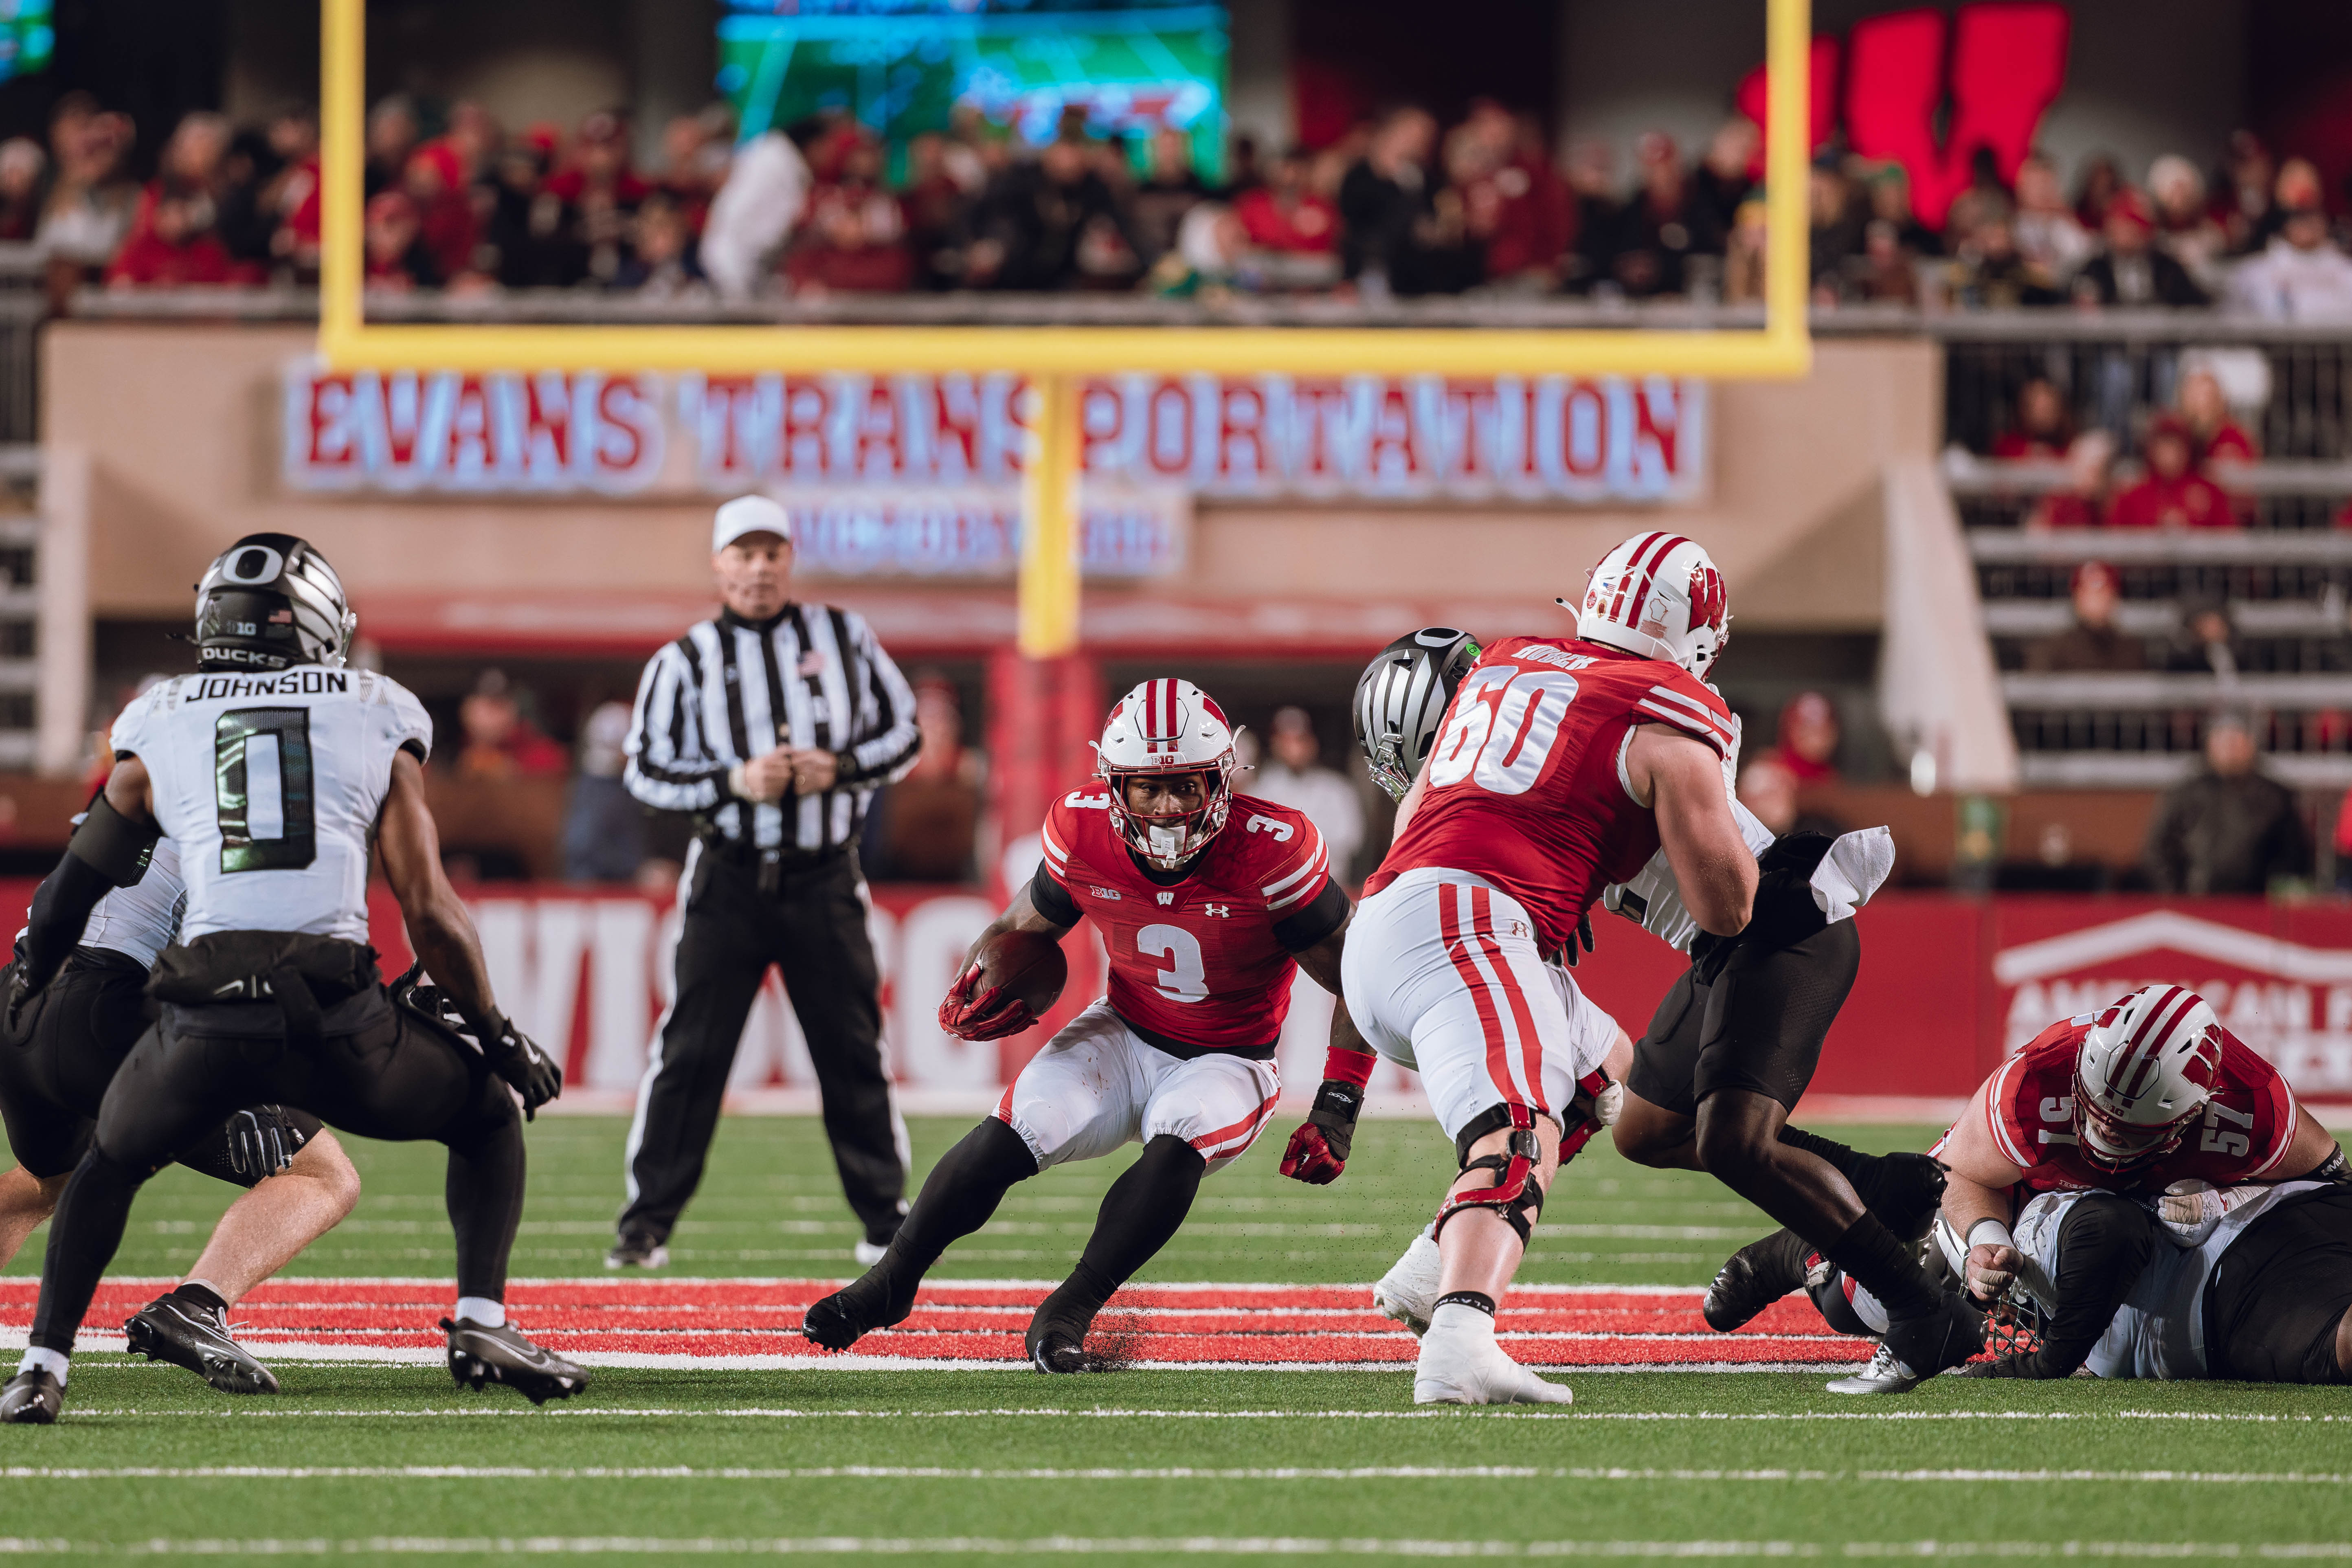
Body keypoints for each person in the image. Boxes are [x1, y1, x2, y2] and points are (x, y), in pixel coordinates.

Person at [1343, 534, 1931, 1408]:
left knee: (1598, 1084)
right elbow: (1726, 910)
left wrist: (1545, 886)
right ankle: (1460, 1338)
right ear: (1696, 634)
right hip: (1472, 918)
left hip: (1397, 920)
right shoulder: (1667, 707)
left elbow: (1420, 825)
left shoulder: (1504, 664)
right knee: (1514, 1130)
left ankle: (1436, 1266)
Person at [0, 534, 576, 1423]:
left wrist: (28, 976)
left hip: (35, 1003)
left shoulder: (163, 723)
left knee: (60, 1176)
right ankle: (200, 1304)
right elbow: (339, 914)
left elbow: (78, 882)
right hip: (154, 996)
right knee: (330, 1170)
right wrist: (483, 1025)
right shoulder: (365, 715)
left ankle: (46, 1358)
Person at [802, 679, 1359, 1372]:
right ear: (1112, 785)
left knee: (1182, 1131)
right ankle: (890, 1282)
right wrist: (984, 972)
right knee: (1017, 1128)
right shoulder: (1081, 826)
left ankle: (1071, 1308)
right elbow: (1020, 924)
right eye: (1144, 787)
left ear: (1221, 781)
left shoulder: (1274, 850)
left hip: (1228, 1055)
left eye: (1185, 786)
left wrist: (1339, 1103)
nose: (1165, 807)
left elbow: (1356, 977)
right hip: (1122, 1032)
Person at [615, 496, 921, 1271]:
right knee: (691, 1053)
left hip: (825, 876)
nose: (758, 568)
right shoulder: (683, 660)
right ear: (720, 565)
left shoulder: (845, 636)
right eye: (743, 554)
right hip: (729, 876)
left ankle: (886, 1218)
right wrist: (732, 782)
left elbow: (907, 733)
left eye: (770, 552)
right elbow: (645, 771)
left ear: (790, 558)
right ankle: (646, 1223)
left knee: (852, 1047)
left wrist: (842, 768)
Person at [1809, 986, 2343, 1388]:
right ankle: (1791, 1256)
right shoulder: (2034, 1081)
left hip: (2137, 1241)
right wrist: (1985, 1238)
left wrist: (2220, 1200)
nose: (2105, 1130)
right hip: (2032, 1194)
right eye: (2094, 1110)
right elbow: (1960, 1173)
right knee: (1857, 1301)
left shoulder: (2250, 1108)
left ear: (2192, 1115)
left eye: (2130, 1127)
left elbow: (2330, 1183)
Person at [0, 827, 362, 1395]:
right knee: (321, 1174)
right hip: (109, 1012)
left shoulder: (142, 790)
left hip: (19, 1005)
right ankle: (196, 1305)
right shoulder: (246, 820)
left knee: (48, 1181)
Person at [2140, 714, 2310, 895]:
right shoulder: (2185, 793)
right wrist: (2177, 896)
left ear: (2252, 744)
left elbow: (2293, 857)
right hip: (2194, 903)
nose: (2230, 748)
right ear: (2210, 744)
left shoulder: (2275, 797)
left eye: (2237, 740)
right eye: (2223, 739)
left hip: (2254, 907)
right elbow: (2159, 850)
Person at [1247, 707, 1364, 882]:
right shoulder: (1258, 792)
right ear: (1275, 744)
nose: (1294, 748)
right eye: (1287, 740)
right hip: (1277, 892)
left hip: (1331, 885)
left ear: (1312, 742)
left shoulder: (1337, 788)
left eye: (1300, 740)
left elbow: (1353, 840)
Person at [2073, 191, 2210, 308]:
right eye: (2116, 226)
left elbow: (2196, 302)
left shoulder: (2167, 268)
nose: (2119, 233)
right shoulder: (2095, 269)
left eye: (2128, 226)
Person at [562, 701, 649, 884]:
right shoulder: (598, 790)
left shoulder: (614, 786)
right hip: (596, 891)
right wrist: (637, 870)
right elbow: (582, 847)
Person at [2229, 204, 2352, 323]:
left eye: (2312, 220)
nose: (2307, 227)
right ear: (2286, 225)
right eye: (2300, 220)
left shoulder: (2346, 268)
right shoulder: (2254, 270)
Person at [2107, 417, 2236, 530]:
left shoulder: (2210, 492)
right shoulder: (2131, 495)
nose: (2171, 454)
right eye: (2164, 445)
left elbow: (2230, 541)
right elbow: (2114, 544)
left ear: (2188, 448)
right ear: (2152, 450)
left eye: (2176, 445)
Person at [2024, 560, 2143, 672]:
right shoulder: (2053, 650)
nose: (2097, 600)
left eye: (2103, 592)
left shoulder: (2130, 651)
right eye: (2089, 592)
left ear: (2114, 597)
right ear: (2076, 596)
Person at [1766, 691, 1841, 783]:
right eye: (1809, 730)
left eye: (1825, 731)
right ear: (1790, 732)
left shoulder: (1829, 776)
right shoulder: (1772, 773)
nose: (1819, 739)